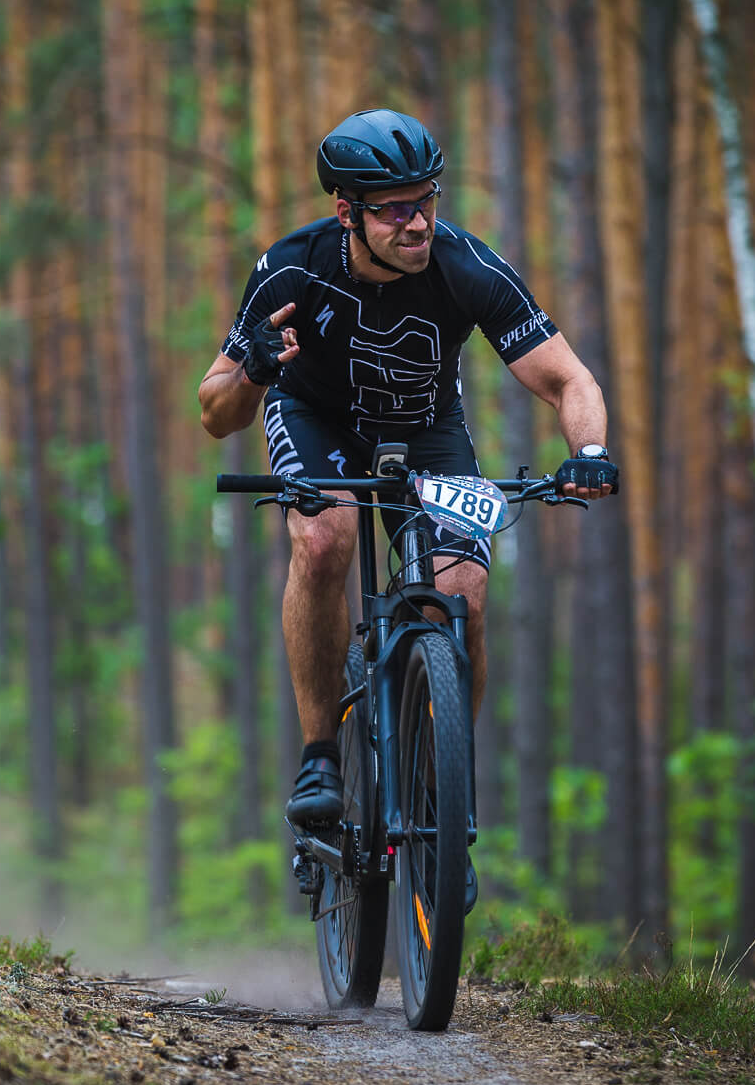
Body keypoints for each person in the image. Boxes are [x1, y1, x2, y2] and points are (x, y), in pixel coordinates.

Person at [197, 108, 619, 910]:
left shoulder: (464, 266)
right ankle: (322, 755)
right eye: (392, 207)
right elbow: (215, 410)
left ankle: (442, 792)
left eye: (424, 199)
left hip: (425, 430)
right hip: (313, 416)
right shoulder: (292, 270)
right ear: (346, 211)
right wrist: (251, 371)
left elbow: (571, 379)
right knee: (325, 539)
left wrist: (589, 454)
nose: (416, 220)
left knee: (462, 591)